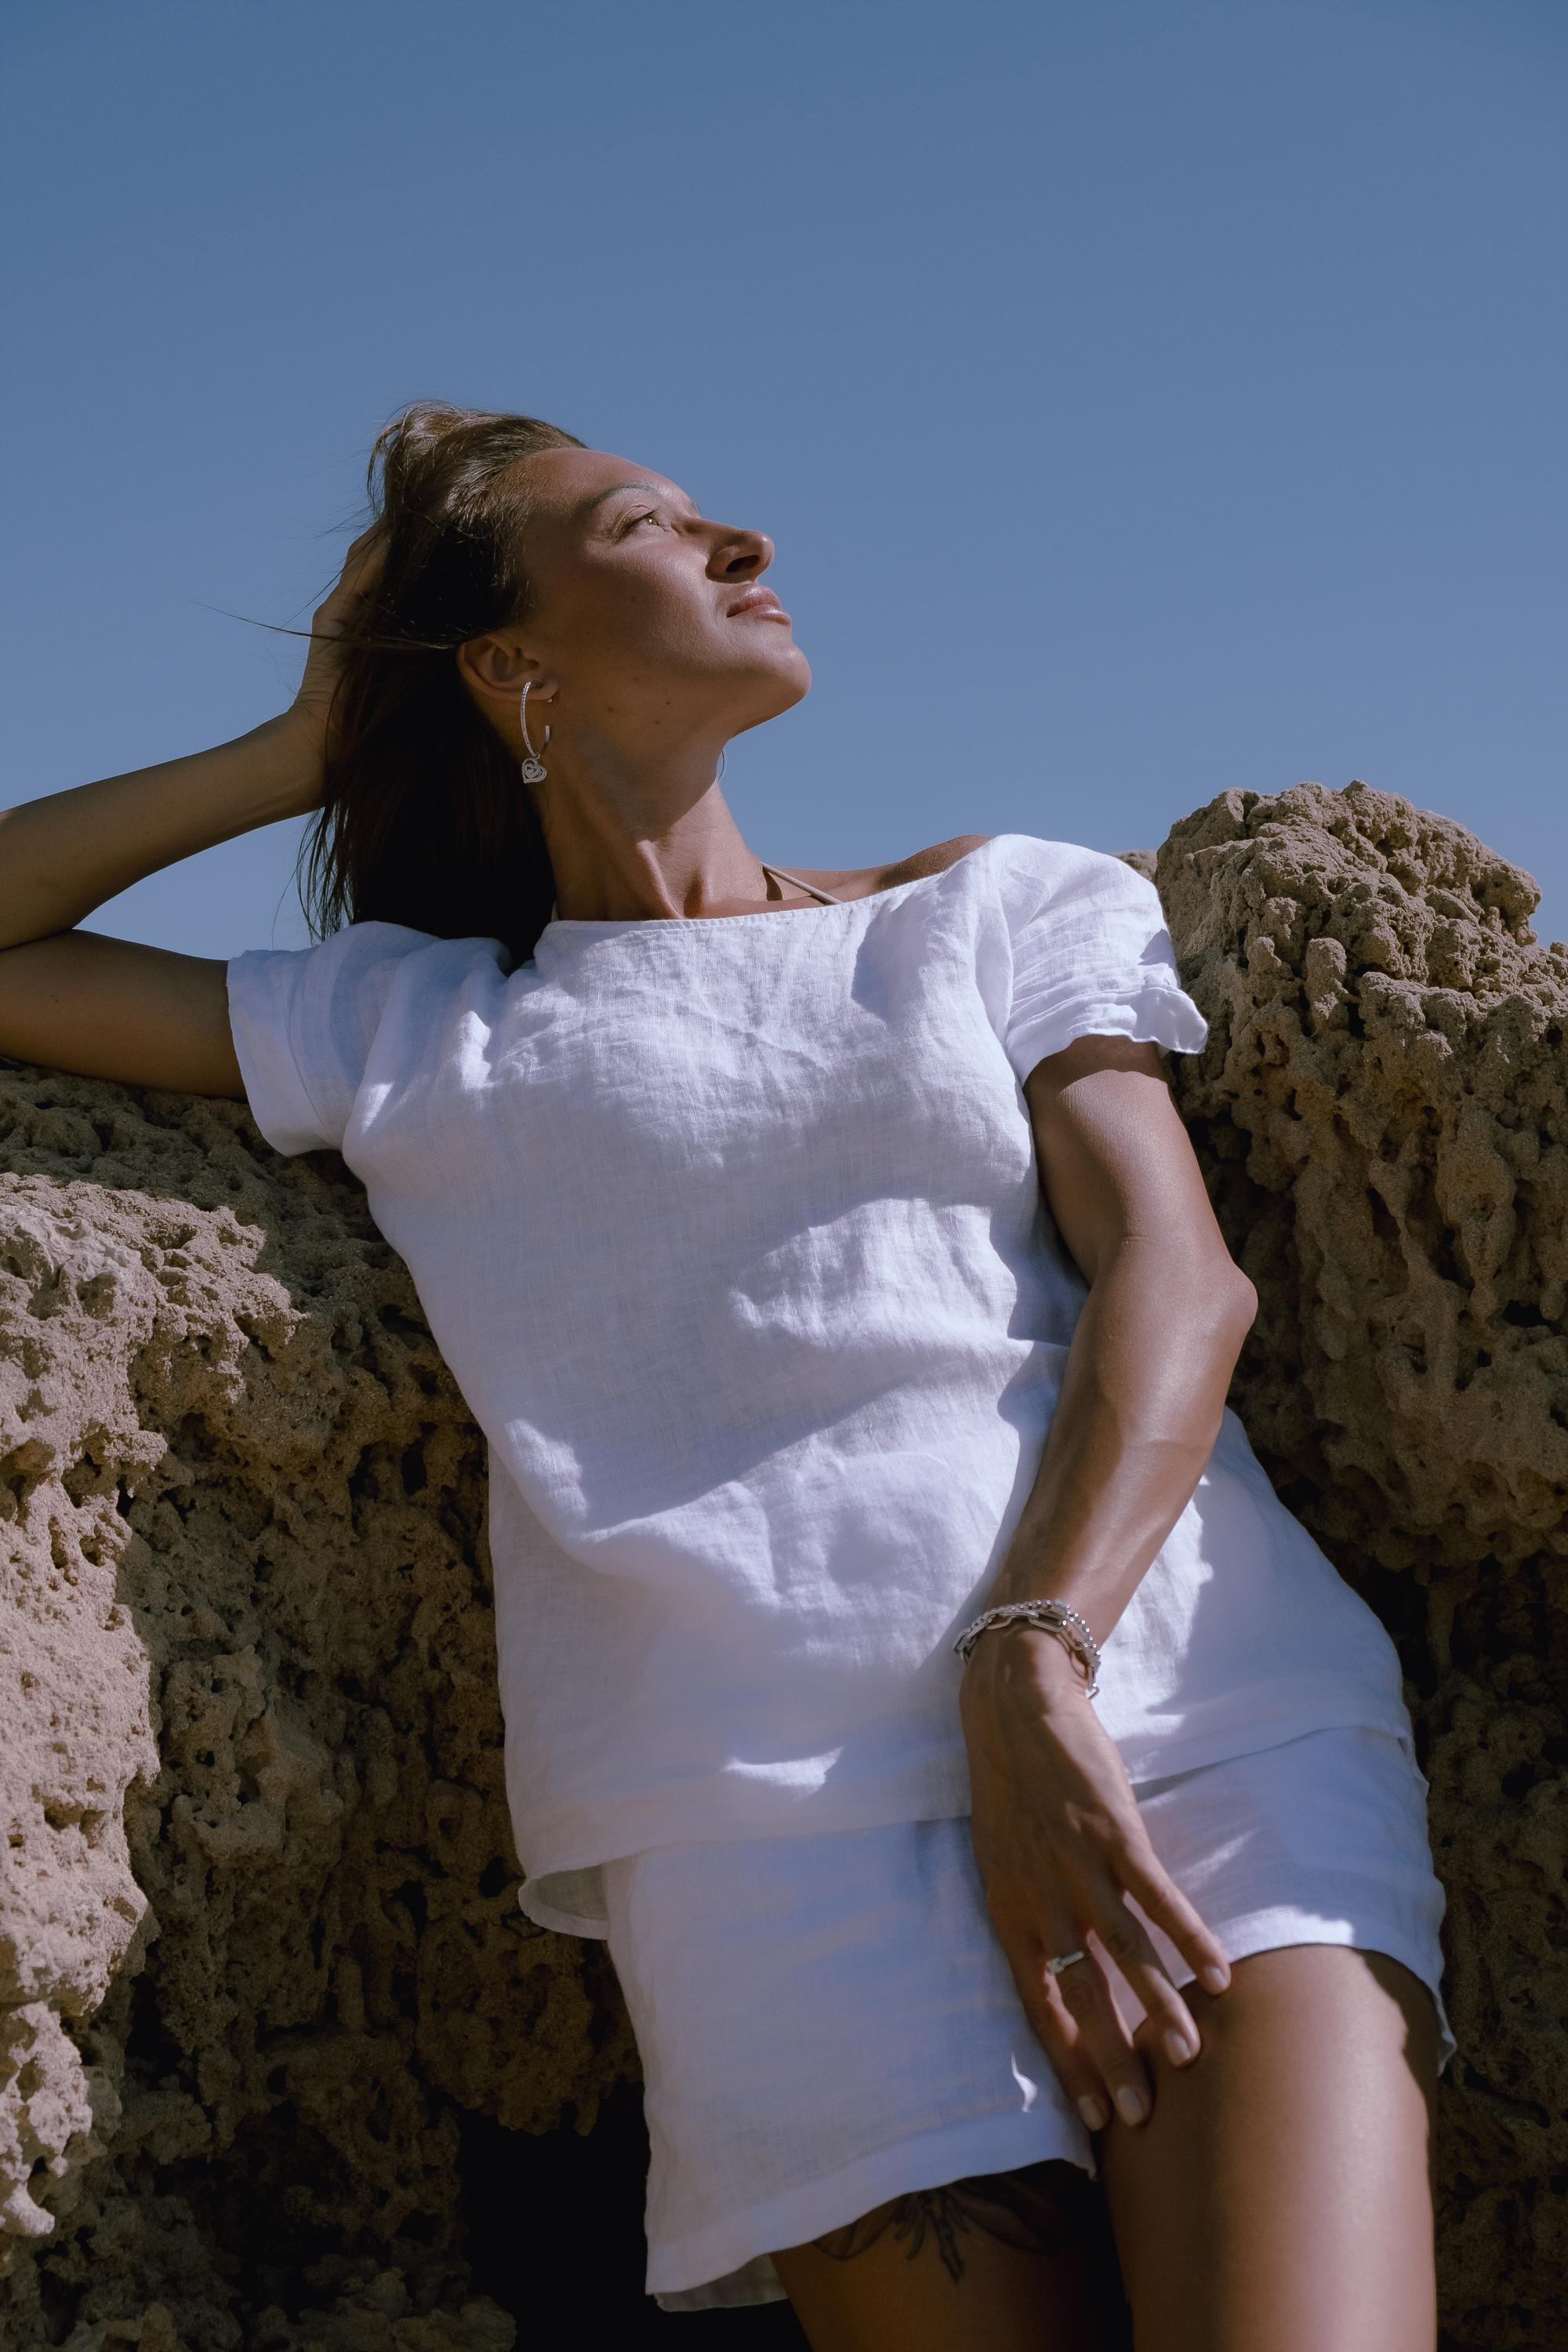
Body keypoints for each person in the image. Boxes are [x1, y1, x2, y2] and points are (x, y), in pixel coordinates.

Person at [0, 403, 1451, 2352]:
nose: (744, 536)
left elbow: (1175, 1280)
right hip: (762, 1830)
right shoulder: (412, 1030)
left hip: (1186, 1714)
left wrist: (1036, 1653)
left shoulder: (988, 905)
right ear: (508, 666)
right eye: (647, 523)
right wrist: (309, 743)